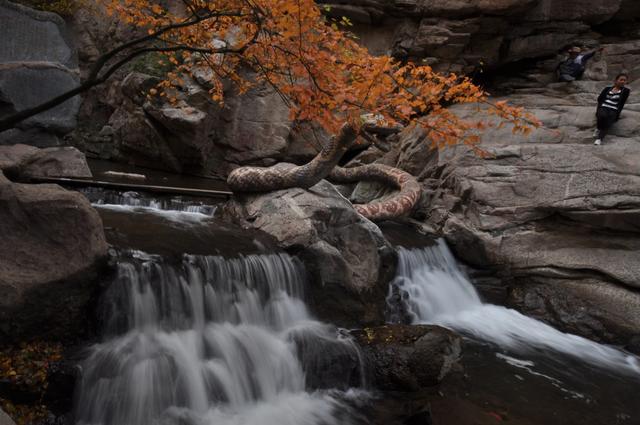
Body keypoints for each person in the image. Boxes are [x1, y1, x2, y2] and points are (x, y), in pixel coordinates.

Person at [594, 73, 630, 145]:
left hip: (614, 109)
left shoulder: (626, 91)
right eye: (621, 80)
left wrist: (617, 114)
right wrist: (598, 109)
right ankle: (598, 128)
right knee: (602, 115)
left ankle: (599, 138)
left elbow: (622, 103)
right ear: (616, 80)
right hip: (604, 106)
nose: (623, 81)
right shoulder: (607, 89)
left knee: (609, 120)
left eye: (624, 80)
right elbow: (599, 99)